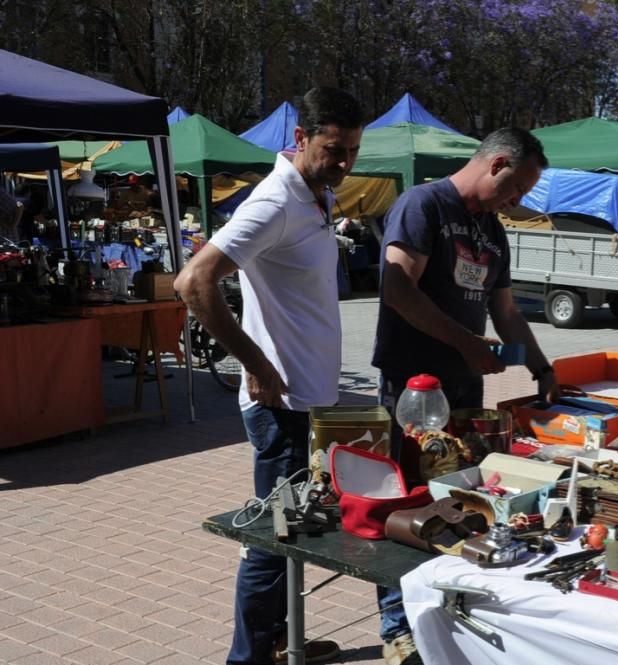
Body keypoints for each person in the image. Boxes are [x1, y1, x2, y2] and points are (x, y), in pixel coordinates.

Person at [174, 87, 363, 665]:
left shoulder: (312, 194)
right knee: (272, 539)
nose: (345, 163)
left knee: (295, 531)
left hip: (309, 400)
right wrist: (255, 362)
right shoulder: (275, 201)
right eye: (334, 149)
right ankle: (248, 657)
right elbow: (193, 282)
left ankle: (280, 638)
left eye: (353, 150)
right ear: (300, 138)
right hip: (281, 406)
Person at [371, 127, 559, 665]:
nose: (517, 200)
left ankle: (447, 612)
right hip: (412, 386)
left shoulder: (491, 230)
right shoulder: (423, 205)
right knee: (406, 501)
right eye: (517, 187)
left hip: (466, 386)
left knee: (463, 498)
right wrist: (465, 342)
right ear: (496, 163)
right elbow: (396, 288)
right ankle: (396, 627)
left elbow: (506, 312)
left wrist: (540, 367)